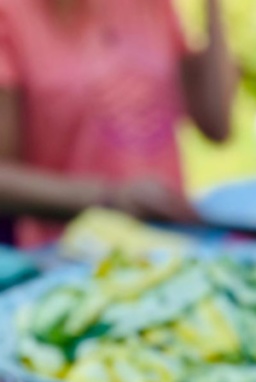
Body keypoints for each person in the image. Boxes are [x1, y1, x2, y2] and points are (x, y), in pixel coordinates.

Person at [0, 0, 237, 247]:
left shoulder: (152, 6)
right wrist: (110, 198)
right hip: (67, 252)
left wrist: (213, 8)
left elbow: (217, 125)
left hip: (169, 244)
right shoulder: (10, 13)